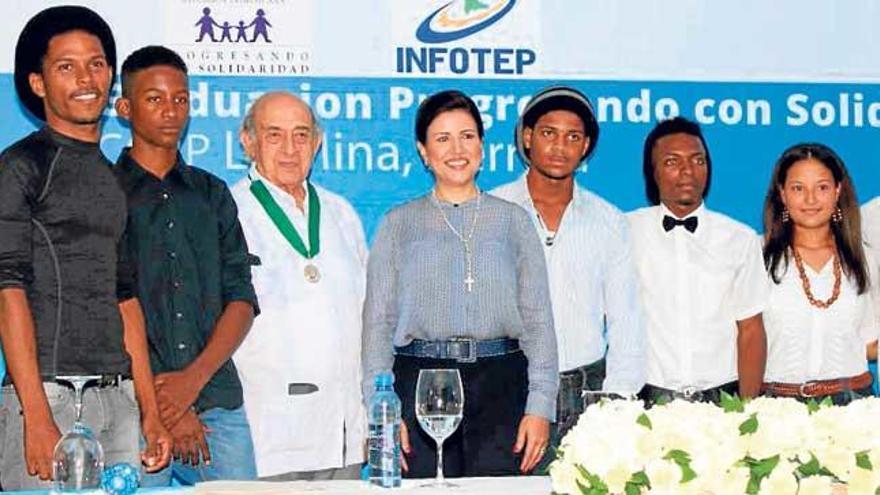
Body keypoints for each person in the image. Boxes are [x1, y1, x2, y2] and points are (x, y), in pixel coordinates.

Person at [0, 7, 170, 489]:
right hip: (50, 399)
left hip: (118, 401)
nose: (85, 78)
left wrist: (149, 411)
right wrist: (34, 415)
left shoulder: (112, 178)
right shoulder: (21, 167)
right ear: (37, 83)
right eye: (66, 66)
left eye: (96, 63)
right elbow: (6, 288)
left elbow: (126, 300)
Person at [362, 90, 558, 477]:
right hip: (420, 387)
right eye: (442, 138)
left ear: (482, 146)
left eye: (467, 136)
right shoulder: (398, 223)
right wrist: (380, 407)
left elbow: (538, 322)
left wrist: (540, 405)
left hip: (503, 385)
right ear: (423, 151)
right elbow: (378, 324)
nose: (457, 149)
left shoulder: (514, 221)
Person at [113, 46, 259, 484]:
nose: (171, 110)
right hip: (133, 411)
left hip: (217, 403)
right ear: (124, 108)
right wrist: (161, 406)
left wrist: (190, 385)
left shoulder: (212, 194)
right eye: (154, 98)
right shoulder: (105, 195)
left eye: (180, 98)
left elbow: (242, 297)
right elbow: (110, 307)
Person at [491, 86, 644, 456]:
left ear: (586, 145)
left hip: (588, 393)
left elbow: (626, 320)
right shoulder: (492, 210)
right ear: (527, 137)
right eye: (548, 133)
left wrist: (617, 404)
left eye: (573, 136)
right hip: (509, 388)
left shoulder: (608, 221)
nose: (560, 146)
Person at [231, 92, 367, 480]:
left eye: (301, 135)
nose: (290, 149)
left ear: (318, 142)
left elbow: (367, 315)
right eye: (274, 135)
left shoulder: (341, 213)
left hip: (344, 434)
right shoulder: (227, 211)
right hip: (268, 435)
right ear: (248, 141)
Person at [627, 117, 767, 405]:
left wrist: (747, 411)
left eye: (697, 160)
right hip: (647, 402)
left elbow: (751, 330)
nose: (687, 171)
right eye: (672, 162)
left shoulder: (740, 238)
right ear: (652, 172)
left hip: (723, 400)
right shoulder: (624, 232)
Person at [761, 143, 878, 403]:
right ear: (782, 193)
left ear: (838, 191)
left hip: (853, 406)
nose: (811, 199)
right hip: (775, 410)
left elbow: (871, 344)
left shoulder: (866, 258)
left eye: (822, 187)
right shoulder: (755, 257)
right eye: (798, 188)